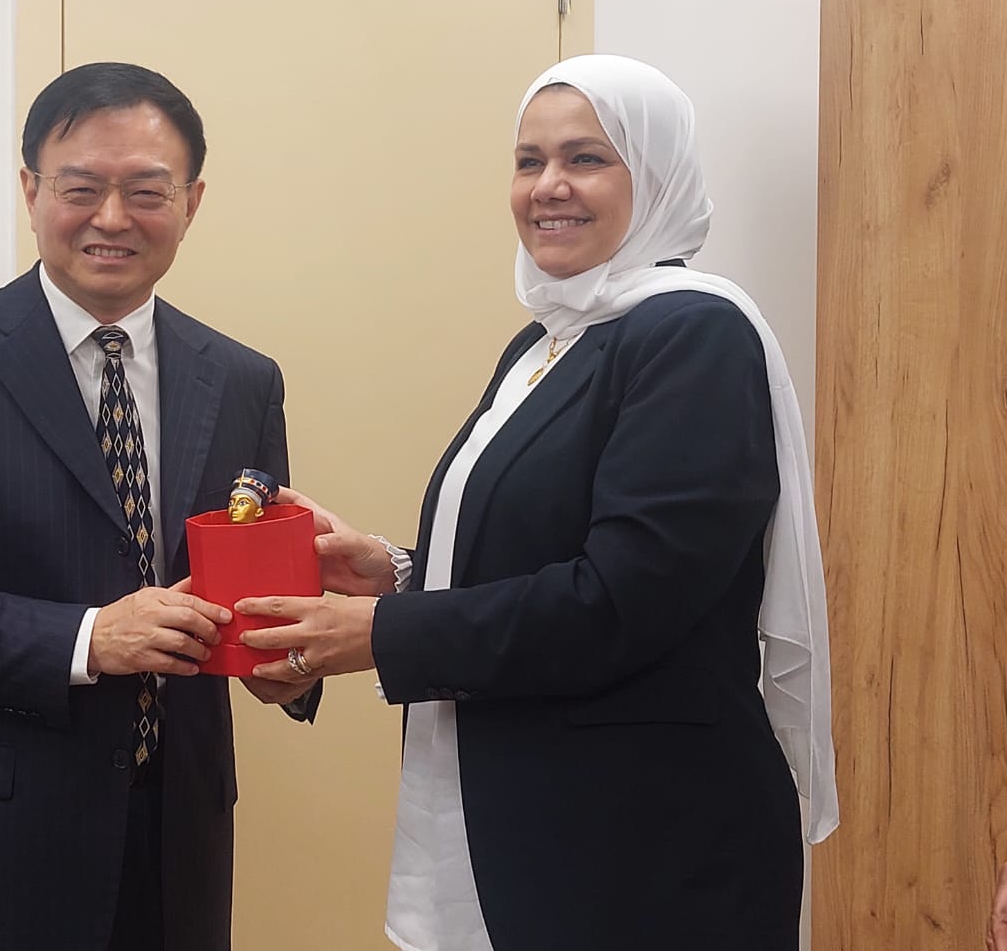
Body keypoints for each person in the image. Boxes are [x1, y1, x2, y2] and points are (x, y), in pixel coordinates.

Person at [237, 54, 837, 951]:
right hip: (542, 822)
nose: (548, 186)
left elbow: (623, 601)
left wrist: (381, 636)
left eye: (586, 158)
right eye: (529, 161)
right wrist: (396, 575)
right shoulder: (550, 339)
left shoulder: (695, 333)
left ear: (657, 175)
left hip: (647, 845)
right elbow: (541, 552)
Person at [0, 61, 316, 951]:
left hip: (177, 833)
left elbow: (255, 576)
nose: (112, 218)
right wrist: (89, 638)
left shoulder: (243, 379)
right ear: (31, 191)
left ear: (192, 203)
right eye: (81, 188)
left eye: (147, 192)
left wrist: (288, 662)